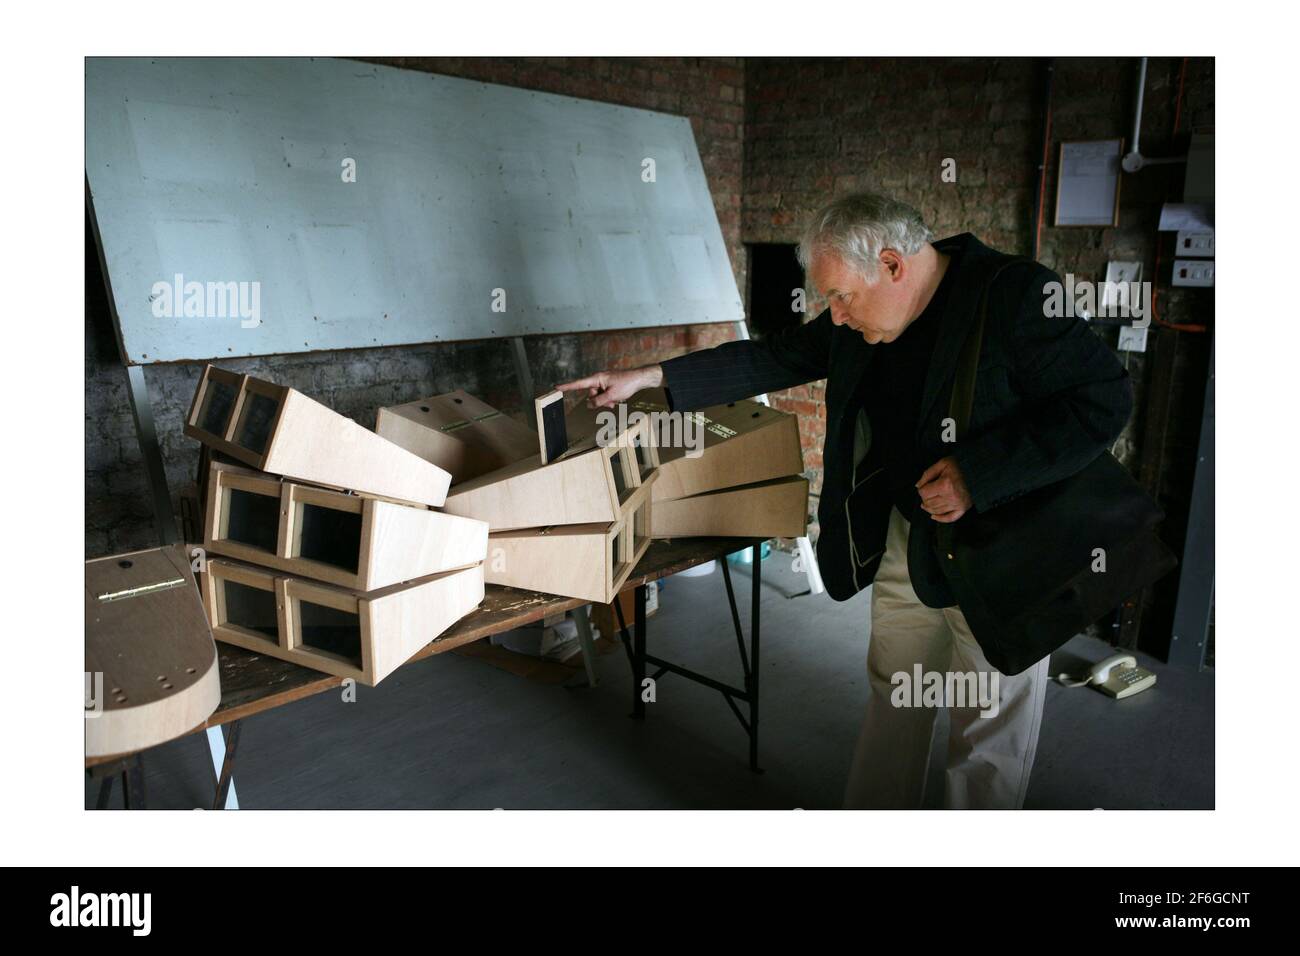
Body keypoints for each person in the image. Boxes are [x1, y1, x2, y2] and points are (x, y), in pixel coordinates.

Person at [557, 193, 1133, 809]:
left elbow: (1101, 399)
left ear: (892, 264)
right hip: (907, 542)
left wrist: (980, 476)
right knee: (896, 696)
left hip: (1007, 551)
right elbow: (772, 355)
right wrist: (648, 378)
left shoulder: (1013, 295)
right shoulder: (855, 324)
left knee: (987, 726)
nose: (833, 315)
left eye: (841, 297)